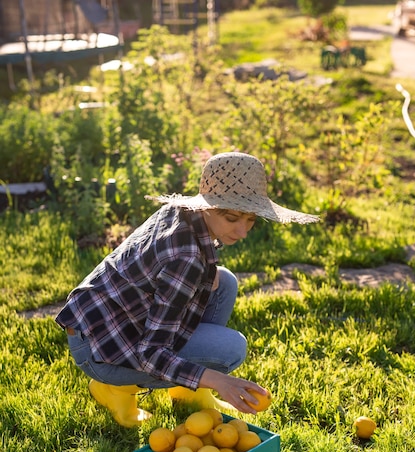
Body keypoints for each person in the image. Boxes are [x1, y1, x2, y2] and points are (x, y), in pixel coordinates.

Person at [55, 152, 319, 427]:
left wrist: (208, 270)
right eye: (232, 218)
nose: (243, 232)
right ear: (207, 207)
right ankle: (116, 390)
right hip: (101, 349)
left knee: (224, 282)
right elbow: (150, 354)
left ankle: (186, 391)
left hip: (103, 320)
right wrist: (219, 380)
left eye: (250, 220)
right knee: (231, 349)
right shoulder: (186, 258)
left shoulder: (181, 213)